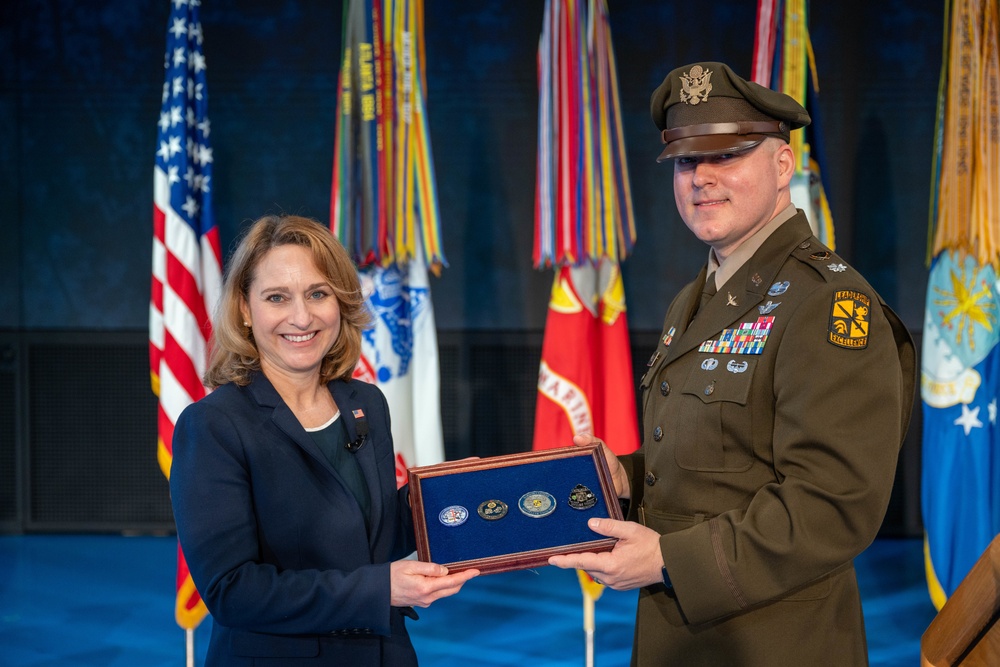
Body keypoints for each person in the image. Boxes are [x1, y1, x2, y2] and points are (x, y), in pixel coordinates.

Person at [549, 61, 916, 665]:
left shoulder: (826, 302)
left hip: (774, 641)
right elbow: (715, 469)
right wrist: (627, 480)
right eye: (688, 161)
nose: (702, 178)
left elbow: (833, 504)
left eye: (728, 156)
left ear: (781, 165)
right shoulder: (694, 298)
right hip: (683, 635)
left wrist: (669, 558)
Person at [169, 214, 477, 666]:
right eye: (277, 297)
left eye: (318, 293)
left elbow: (371, 537)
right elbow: (232, 591)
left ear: (341, 302)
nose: (302, 316)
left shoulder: (366, 402)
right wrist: (380, 588)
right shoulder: (213, 426)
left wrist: (452, 493)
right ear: (244, 309)